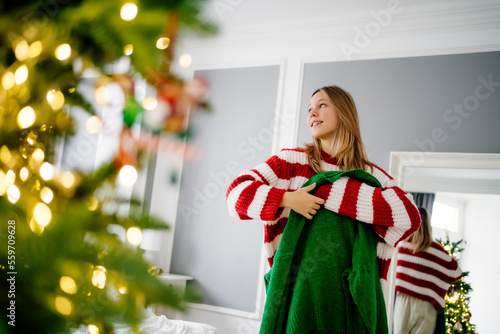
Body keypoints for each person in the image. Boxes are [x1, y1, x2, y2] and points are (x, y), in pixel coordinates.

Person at [226, 85, 421, 326]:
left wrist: (321, 189)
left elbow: (409, 216)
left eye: (321, 105)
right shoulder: (293, 161)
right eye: (309, 109)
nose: (312, 113)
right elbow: (236, 195)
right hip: (296, 296)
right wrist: (289, 199)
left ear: (344, 113)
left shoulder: (372, 175)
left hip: (353, 303)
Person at [393, 207, 463, 334]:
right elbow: (457, 272)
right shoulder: (437, 250)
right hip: (426, 306)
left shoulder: (401, 245)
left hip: (403, 301)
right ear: (428, 225)